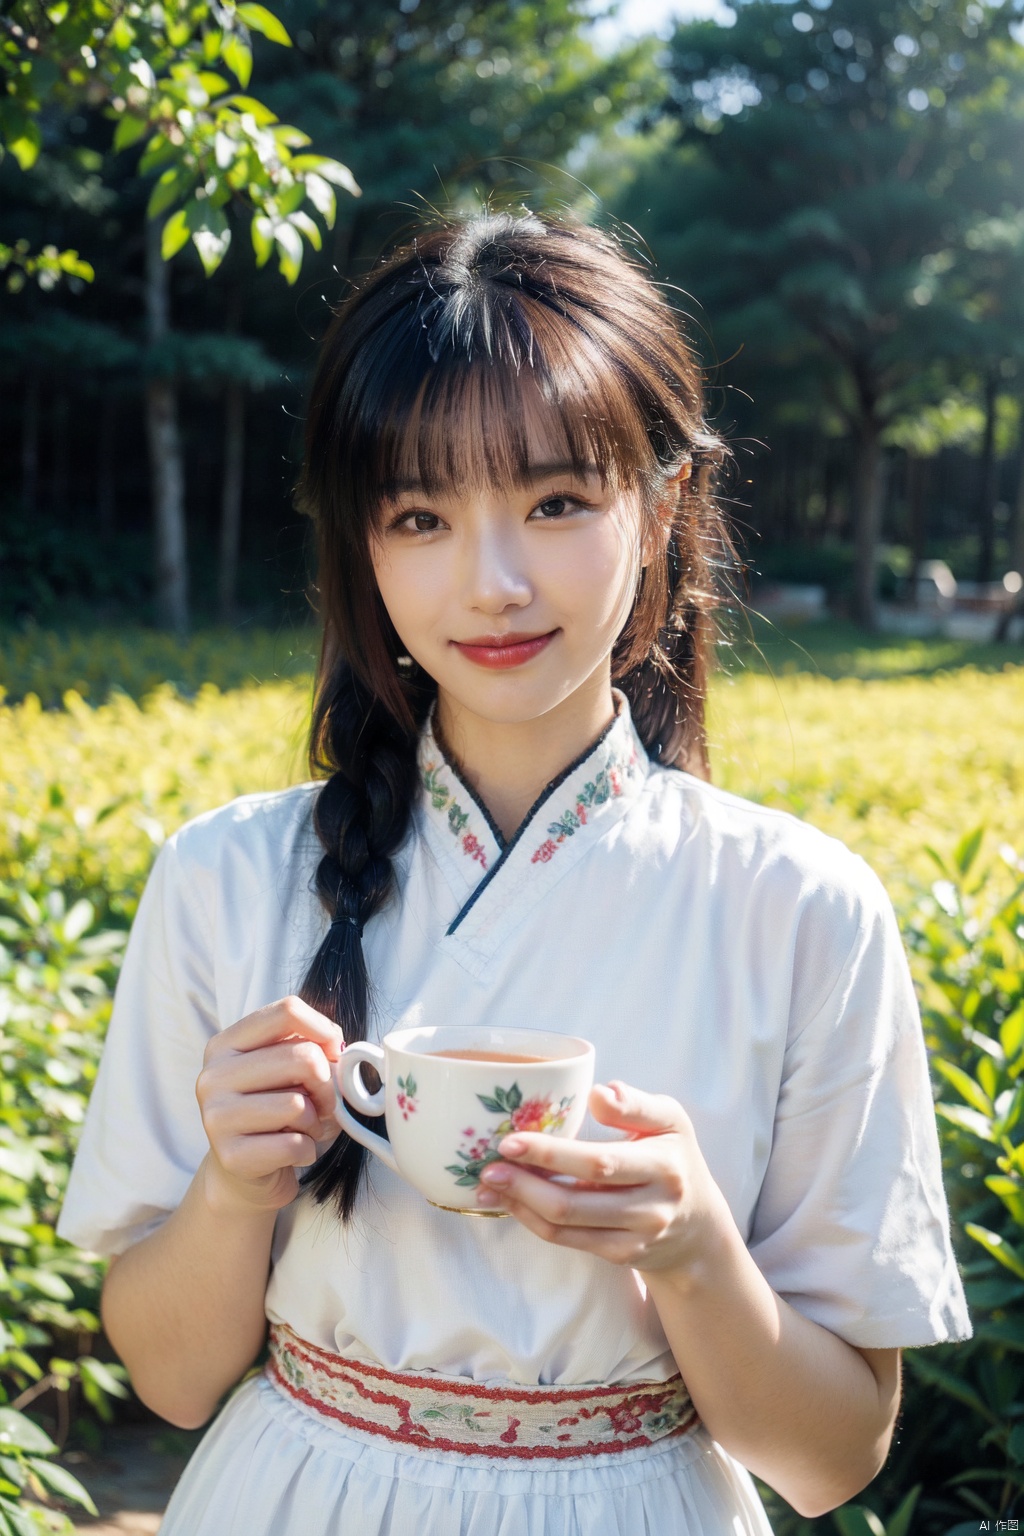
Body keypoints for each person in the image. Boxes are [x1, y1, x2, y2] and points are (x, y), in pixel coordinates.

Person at [57, 211, 971, 1536]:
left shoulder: (803, 908)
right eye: (420, 515)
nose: (490, 584)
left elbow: (831, 1462)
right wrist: (233, 1187)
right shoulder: (226, 876)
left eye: (555, 502)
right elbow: (172, 1378)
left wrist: (700, 1251)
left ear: (662, 506)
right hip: (290, 1496)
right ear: (362, 552)